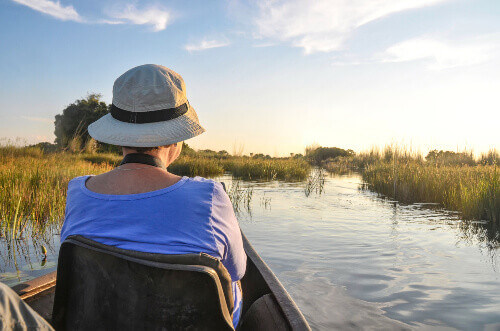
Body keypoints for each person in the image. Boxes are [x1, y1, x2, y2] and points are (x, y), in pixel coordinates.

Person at [60, 64, 247, 327]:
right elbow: (237, 270)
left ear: (119, 135)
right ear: (175, 138)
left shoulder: (78, 191)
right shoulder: (209, 196)